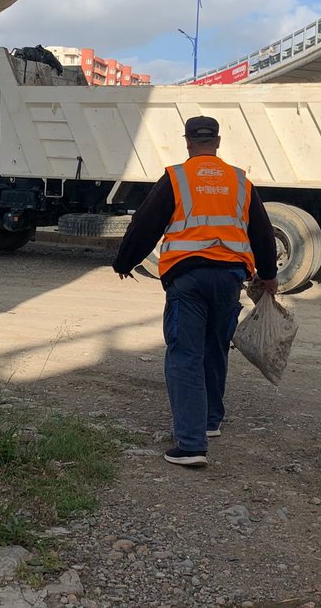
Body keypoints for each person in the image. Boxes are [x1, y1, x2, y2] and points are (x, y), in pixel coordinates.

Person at [112, 116, 278, 467]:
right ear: (216, 142)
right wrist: (269, 275)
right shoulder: (239, 180)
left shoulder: (177, 177)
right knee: (215, 347)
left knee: (185, 353)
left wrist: (124, 261)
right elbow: (262, 230)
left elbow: (145, 223)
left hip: (187, 277)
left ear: (188, 142)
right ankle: (210, 421)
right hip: (230, 277)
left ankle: (190, 444)